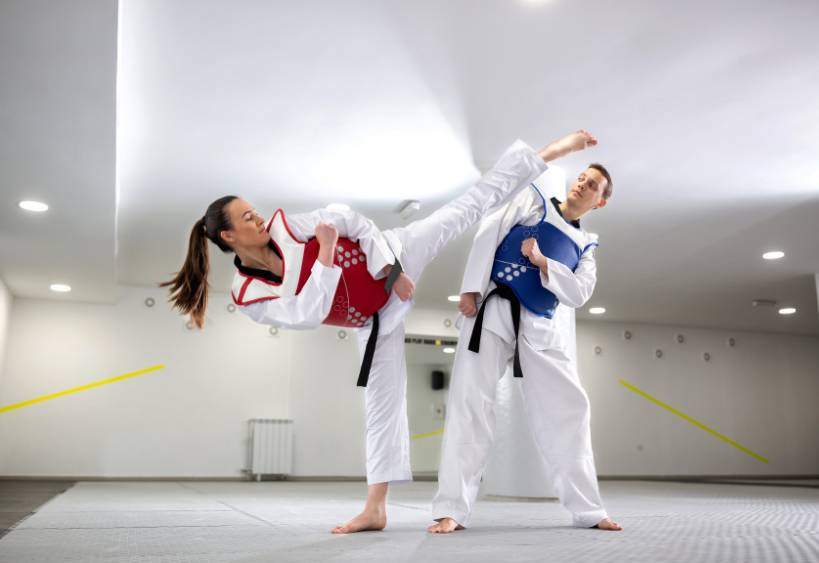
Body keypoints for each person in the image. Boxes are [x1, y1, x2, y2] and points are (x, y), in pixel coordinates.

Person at [162, 130, 599, 534]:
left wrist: (390, 271)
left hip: (395, 253)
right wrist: (326, 253)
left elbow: (350, 219)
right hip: (371, 320)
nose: (259, 219)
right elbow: (307, 313)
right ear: (228, 235)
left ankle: (547, 153)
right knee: (380, 407)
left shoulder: (287, 226)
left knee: (469, 205)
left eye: (255, 212)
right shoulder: (248, 293)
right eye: (248, 218)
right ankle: (376, 509)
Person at [428, 156, 622, 533]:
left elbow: (579, 293)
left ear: (601, 201)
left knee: (571, 407)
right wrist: (470, 289)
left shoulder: (586, 246)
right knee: (470, 404)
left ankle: (589, 510)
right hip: (493, 308)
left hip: (539, 324)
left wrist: (542, 261)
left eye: (592, 184)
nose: (582, 184)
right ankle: (452, 509)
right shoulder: (534, 201)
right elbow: (490, 231)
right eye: (582, 177)